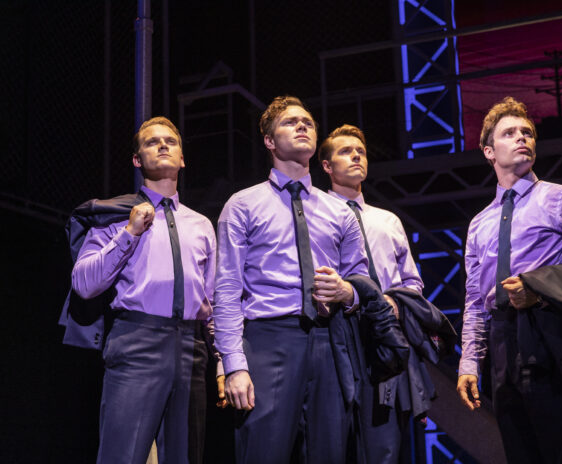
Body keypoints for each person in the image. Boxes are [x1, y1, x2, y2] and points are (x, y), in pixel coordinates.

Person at [456, 97, 562, 464]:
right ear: (488, 152)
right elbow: (475, 300)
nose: (522, 138)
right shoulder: (480, 223)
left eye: (527, 132)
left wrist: (541, 292)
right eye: (509, 133)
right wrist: (469, 362)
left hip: (551, 332)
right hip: (502, 340)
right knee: (519, 452)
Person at [214, 96, 370, 464]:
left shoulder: (340, 211)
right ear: (269, 141)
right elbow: (227, 289)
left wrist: (347, 291)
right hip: (268, 340)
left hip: (329, 340)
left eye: (308, 122)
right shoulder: (243, 204)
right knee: (263, 453)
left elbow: (362, 281)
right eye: (290, 122)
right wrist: (233, 364)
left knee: (330, 453)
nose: (302, 126)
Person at [71, 116, 218, 464]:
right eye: (152, 142)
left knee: (185, 455)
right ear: (137, 160)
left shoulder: (201, 224)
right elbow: (84, 284)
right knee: (122, 454)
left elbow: (211, 301)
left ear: (182, 159)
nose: (163, 145)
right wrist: (130, 233)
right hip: (137, 340)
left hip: (191, 347)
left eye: (171, 141)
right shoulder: (113, 216)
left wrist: (225, 362)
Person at [319, 124, 433, 463]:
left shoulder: (387, 220)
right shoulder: (316, 216)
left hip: (385, 334)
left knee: (385, 444)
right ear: (326, 165)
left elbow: (412, 282)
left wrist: (395, 304)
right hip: (339, 331)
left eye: (361, 152)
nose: (356, 156)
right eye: (345, 151)